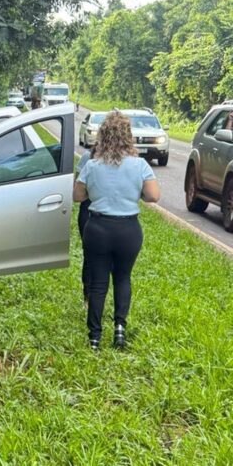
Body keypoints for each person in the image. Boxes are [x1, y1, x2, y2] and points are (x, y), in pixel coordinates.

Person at [73, 111, 161, 350]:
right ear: (128, 137)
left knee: (98, 282)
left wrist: (97, 190)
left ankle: (94, 337)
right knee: (122, 278)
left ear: (102, 136)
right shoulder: (140, 165)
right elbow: (153, 196)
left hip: (98, 227)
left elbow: (77, 196)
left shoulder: (92, 165)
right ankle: (119, 329)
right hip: (128, 229)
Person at [75, 148, 93, 306]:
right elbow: (77, 192)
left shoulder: (127, 160)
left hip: (103, 212)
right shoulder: (88, 157)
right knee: (89, 255)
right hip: (88, 210)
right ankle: (88, 296)